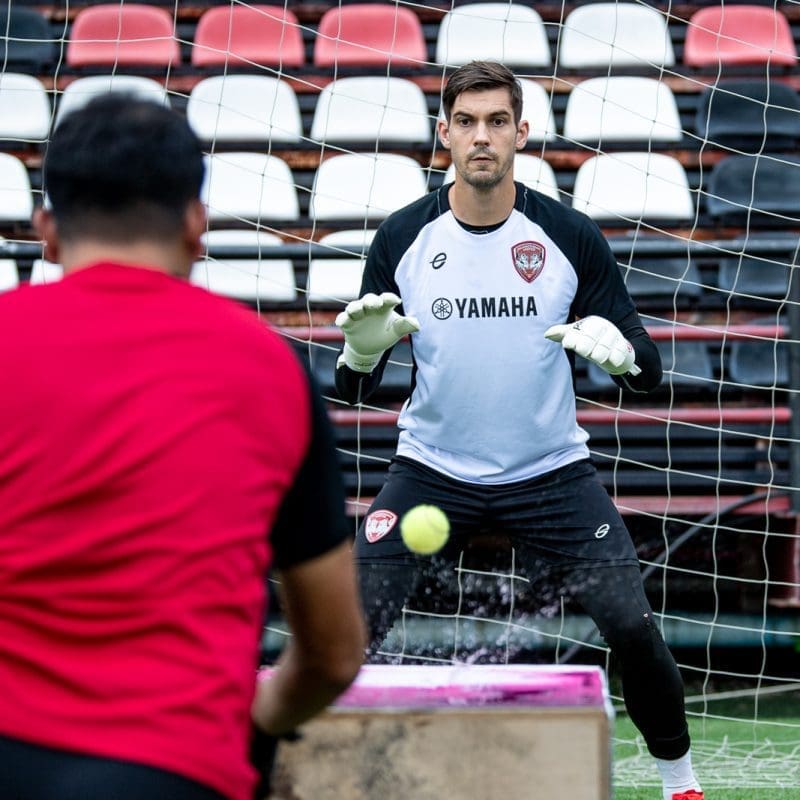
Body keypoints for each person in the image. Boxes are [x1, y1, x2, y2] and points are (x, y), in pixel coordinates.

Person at [334, 61, 703, 800]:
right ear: (443, 133)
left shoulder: (566, 234)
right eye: (466, 122)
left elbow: (651, 371)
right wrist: (361, 352)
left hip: (550, 472)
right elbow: (355, 386)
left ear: (521, 133)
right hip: (431, 468)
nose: (481, 137)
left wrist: (626, 357)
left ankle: (681, 783)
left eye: (496, 122)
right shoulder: (404, 236)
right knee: (350, 624)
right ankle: (332, 777)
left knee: (631, 625)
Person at [0, 94, 365, 800]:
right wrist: (258, 722)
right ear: (197, 227)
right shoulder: (267, 368)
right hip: (174, 768)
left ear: (45, 231)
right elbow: (333, 653)